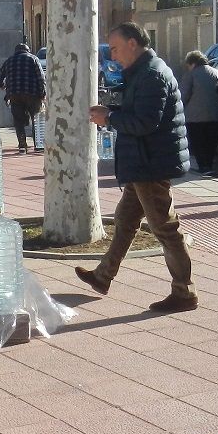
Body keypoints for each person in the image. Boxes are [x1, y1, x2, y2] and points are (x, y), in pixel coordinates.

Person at [77, 22, 198, 313]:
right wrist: (113, 113)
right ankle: (103, 276)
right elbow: (139, 115)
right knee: (125, 218)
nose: (113, 56)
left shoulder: (152, 74)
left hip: (150, 163)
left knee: (165, 228)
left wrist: (110, 118)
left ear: (133, 43)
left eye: (116, 49)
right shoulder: (143, 71)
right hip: (144, 161)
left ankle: (184, 292)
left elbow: (145, 123)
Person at [179, 49, 218, 174]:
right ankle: (209, 165)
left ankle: (203, 167)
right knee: (211, 142)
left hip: (195, 117)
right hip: (215, 115)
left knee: (198, 143)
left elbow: (183, 95)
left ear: (192, 63)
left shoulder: (191, 75)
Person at [0, 43, 46, 154]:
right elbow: (41, 77)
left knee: (18, 121)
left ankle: (22, 146)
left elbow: (0, 75)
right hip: (32, 94)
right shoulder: (34, 59)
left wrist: (1, 85)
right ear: (28, 50)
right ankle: (38, 145)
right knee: (36, 120)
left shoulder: (9, 60)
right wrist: (43, 93)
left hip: (14, 94)